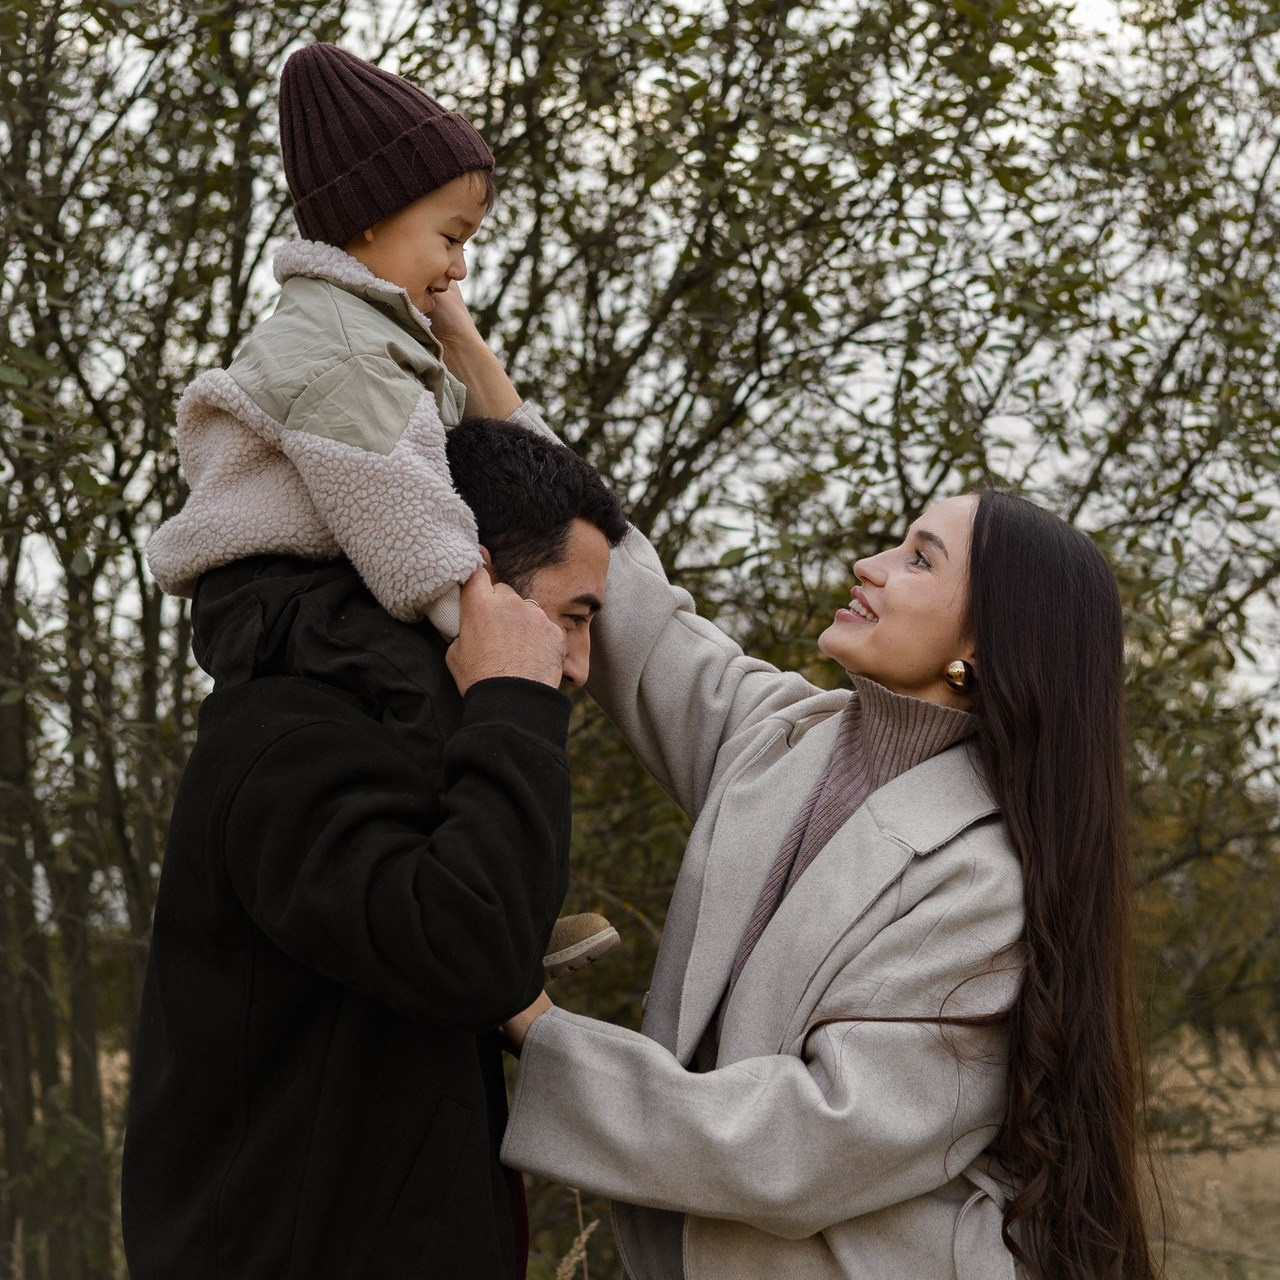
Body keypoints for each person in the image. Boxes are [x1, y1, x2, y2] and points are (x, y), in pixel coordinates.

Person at [499, 491, 1156, 1279]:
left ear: (984, 646)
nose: (868, 567)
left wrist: (538, 1029)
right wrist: (485, 393)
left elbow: (801, 1145)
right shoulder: (786, 735)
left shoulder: (985, 885)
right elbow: (648, 627)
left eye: (918, 558)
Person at [143, 41, 617, 971]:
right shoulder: (344, 352)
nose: (459, 269)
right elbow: (394, 503)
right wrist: (479, 619)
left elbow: (458, 465)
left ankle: (497, 896)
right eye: (450, 238)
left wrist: (457, 338)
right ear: (366, 222)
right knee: (441, 703)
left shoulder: (372, 333)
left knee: (438, 703)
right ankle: (483, 897)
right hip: (283, 595)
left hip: (315, 587)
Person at [121, 418, 628, 1280]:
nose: (578, 663)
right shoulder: (292, 741)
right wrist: (510, 696)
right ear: (479, 585)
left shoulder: (388, 740)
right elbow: (474, 953)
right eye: (574, 617)